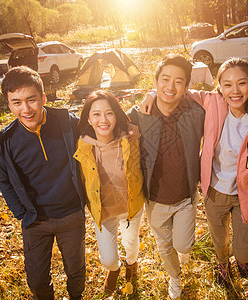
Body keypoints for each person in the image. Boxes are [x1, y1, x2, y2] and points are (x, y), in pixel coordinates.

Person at [140, 57, 248, 286]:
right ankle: (222, 264)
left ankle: (242, 260)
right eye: (227, 84)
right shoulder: (212, 103)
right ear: (219, 87)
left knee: (244, 249)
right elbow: (175, 91)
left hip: (245, 195)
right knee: (219, 239)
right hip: (214, 191)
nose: (234, 91)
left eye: (241, 83)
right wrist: (150, 93)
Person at [0, 66, 86, 299]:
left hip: (71, 215)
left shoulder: (66, 121)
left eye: (31, 100)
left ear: (43, 97)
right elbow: (3, 178)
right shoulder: (5, 140)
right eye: (16, 102)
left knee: (76, 271)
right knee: (36, 280)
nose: (25, 109)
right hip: (35, 220)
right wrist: (21, 212)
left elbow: (102, 123)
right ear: (8, 104)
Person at [127, 54, 205, 299]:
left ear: (187, 86)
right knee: (164, 245)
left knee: (184, 244)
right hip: (156, 198)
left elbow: (225, 99)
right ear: (156, 80)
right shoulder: (138, 115)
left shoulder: (196, 113)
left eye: (179, 81)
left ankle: (184, 252)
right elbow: (101, 120)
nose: (170, 87)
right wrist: (149, 95)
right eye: (165, 79)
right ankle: (175, 277)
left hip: (185, 196)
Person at [73, 90, 145, 296]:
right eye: (96, 114)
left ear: (116, 115)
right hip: (103, 211)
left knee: (131, 245)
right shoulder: (82, 145)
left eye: (109, 113)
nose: (103, 120)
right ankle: (115, 269)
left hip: (131, 206)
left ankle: (131, 264)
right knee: (107, 259)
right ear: (88, 117)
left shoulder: (130, 138)